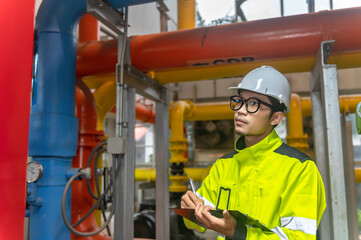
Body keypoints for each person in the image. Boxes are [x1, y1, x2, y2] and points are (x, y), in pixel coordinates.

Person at [181, 66, 326, 240]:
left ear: (275, 118)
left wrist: (238, 232)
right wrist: (190, 211)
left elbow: (298, 237)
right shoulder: (223, 165)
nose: (240, 110)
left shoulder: (300, 169)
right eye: (240, 101)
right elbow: (202, 220)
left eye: (253, 104)